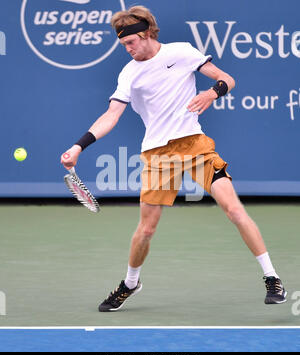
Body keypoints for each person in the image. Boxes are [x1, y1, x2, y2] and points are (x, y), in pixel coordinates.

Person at [61, 5, 287, 311]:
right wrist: (79, 146)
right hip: (157, 154)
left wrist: (212, 93)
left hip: (195, 146)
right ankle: (130, 283)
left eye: (130, 42)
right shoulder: (129, 73)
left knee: (233, 209)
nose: (127, 49)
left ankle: (272, 277)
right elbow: (112, 115)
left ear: (146, 34)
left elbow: (226, 78)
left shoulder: (181, 52)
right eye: (123, 45)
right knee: (147, 229)